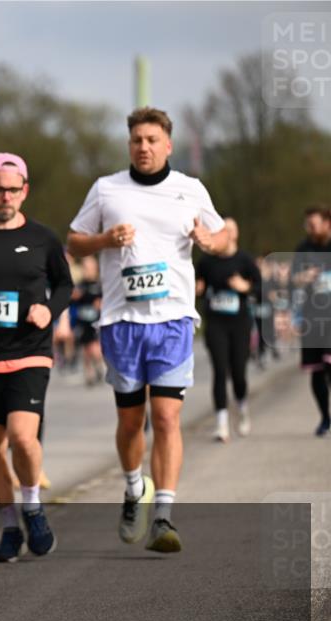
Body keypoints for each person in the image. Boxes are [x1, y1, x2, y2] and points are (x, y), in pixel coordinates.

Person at [66, 107, 228, 554]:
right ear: (129, 144)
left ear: (168, 145)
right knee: (130, 420)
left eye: (153, 139)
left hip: (173, 319)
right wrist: (103, 241)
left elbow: (223, 236)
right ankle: (135, 487)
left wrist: (210, 242)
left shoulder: (190, 190)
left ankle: (164, 515)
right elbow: (74, 240)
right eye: (137, 139)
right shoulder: (106, 189)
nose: (144, 146)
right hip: (122, 322)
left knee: (167, 417)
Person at [0, 152, 72, 562]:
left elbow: (65, 285)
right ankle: (8, 525)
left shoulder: (43, 238)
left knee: (22, 437)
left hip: (29, 353)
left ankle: (33, 506)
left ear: (25, 192)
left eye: (13, 189)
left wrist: (49, 310)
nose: (6, 196)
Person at [195, 218, 261, 442]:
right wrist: (198, 290)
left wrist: (246, 287)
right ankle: (221, 423)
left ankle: (242, 407)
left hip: (240, 322)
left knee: (239, 373)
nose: (228, 234)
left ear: (237, 234)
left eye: (231, 229)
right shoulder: (206, 262)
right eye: (223, 230)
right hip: (215, 323)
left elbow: (261, 289)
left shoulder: (245, 260)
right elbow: (196, 286)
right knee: (220, 370)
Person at [291, 205, 331, 436]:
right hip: (312, 317)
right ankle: (325, 417)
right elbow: (293, 281)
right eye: (307, 225)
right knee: (317, 371)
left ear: (327, 223)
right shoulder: (303, 249)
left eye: (313, 225)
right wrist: (303, 277)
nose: (310, 229)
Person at [72, 255, 105, 386]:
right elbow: (73, 299)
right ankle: (89, 373)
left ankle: (99, 365)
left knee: (95, 347)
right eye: (85, 268)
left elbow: (104, 300)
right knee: (86, 349)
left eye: (90, 268)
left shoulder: (99, 285)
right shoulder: (80, 285)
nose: (87, 271)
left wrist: (100, 303)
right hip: (82, 320)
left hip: (96, 321)